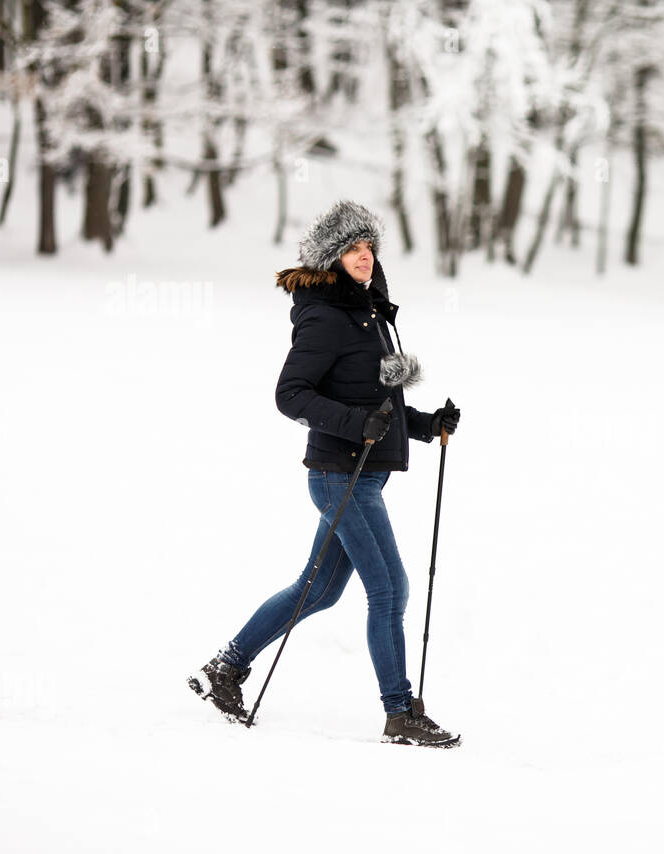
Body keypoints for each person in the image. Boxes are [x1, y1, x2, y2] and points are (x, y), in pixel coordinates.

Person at [188, 200, 462, 748]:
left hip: (363, 475)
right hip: (342, 477)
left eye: (369, 249)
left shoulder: (370, 315)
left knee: (318, 590)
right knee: (389, 589)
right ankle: (399, 713)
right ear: (332, 258)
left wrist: (426, 424)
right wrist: (356, 423)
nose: (364, 257)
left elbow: (374, 404)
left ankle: (226, 667)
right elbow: (291, 395)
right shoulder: (325, 317)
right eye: (352, 249)